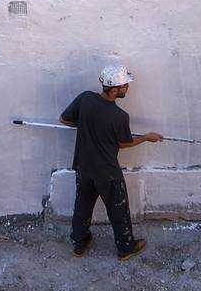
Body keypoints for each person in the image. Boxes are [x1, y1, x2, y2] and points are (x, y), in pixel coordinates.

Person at [60, 61, 162, 260]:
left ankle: (79, 244)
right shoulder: (119, 116)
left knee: (82, 206)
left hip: (83, 167)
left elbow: (64, 119)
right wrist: (146, 137)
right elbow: (124, 143)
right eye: (125, 85)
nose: (127, 88)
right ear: (114, 90)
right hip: (107, 172)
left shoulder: (85, 98)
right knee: (118, 210)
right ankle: (126, 248)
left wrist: (86, 126)